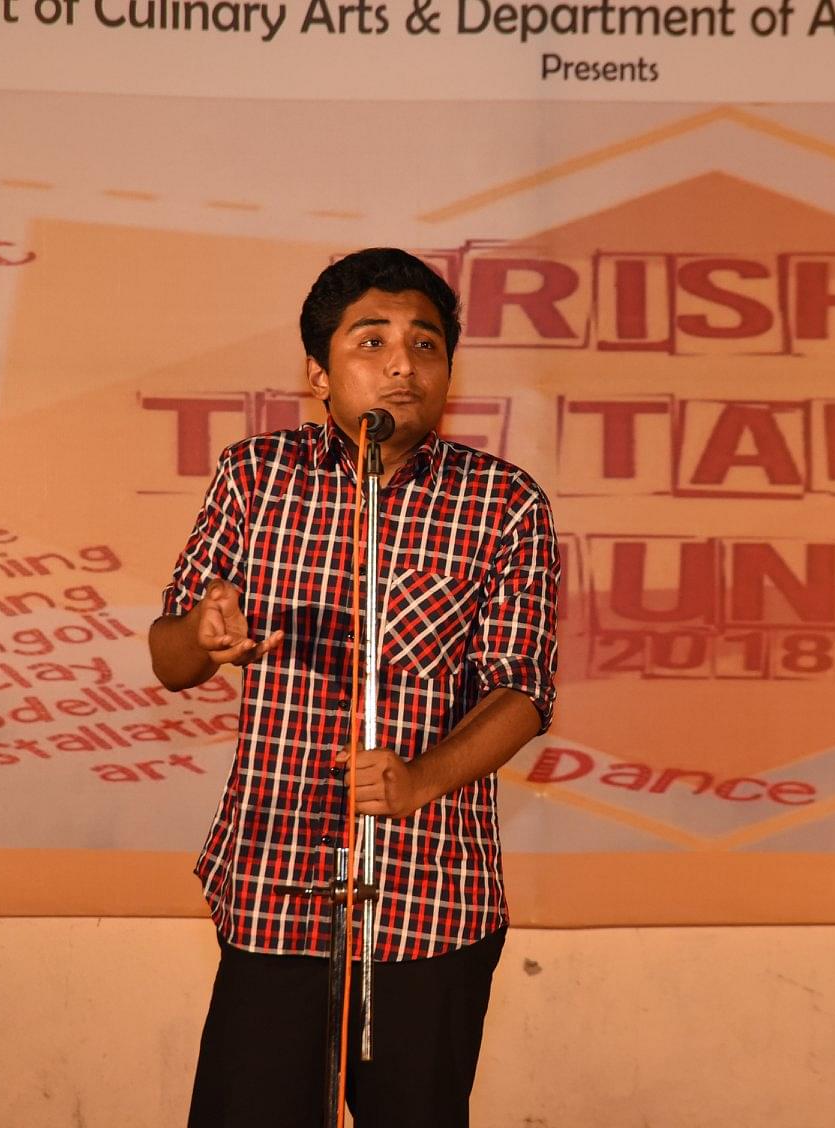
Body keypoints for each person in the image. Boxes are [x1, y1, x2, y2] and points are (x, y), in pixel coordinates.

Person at [148, 248, 560, 1128]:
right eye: (371, 342)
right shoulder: (255, 476)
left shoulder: (505, 502)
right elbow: (170, 656)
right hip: (274, 881)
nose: (402, 364)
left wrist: (418, 780)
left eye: (426, 344)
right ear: (318, 372)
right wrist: (204, 634)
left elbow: (522, 692)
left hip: (433, 899)